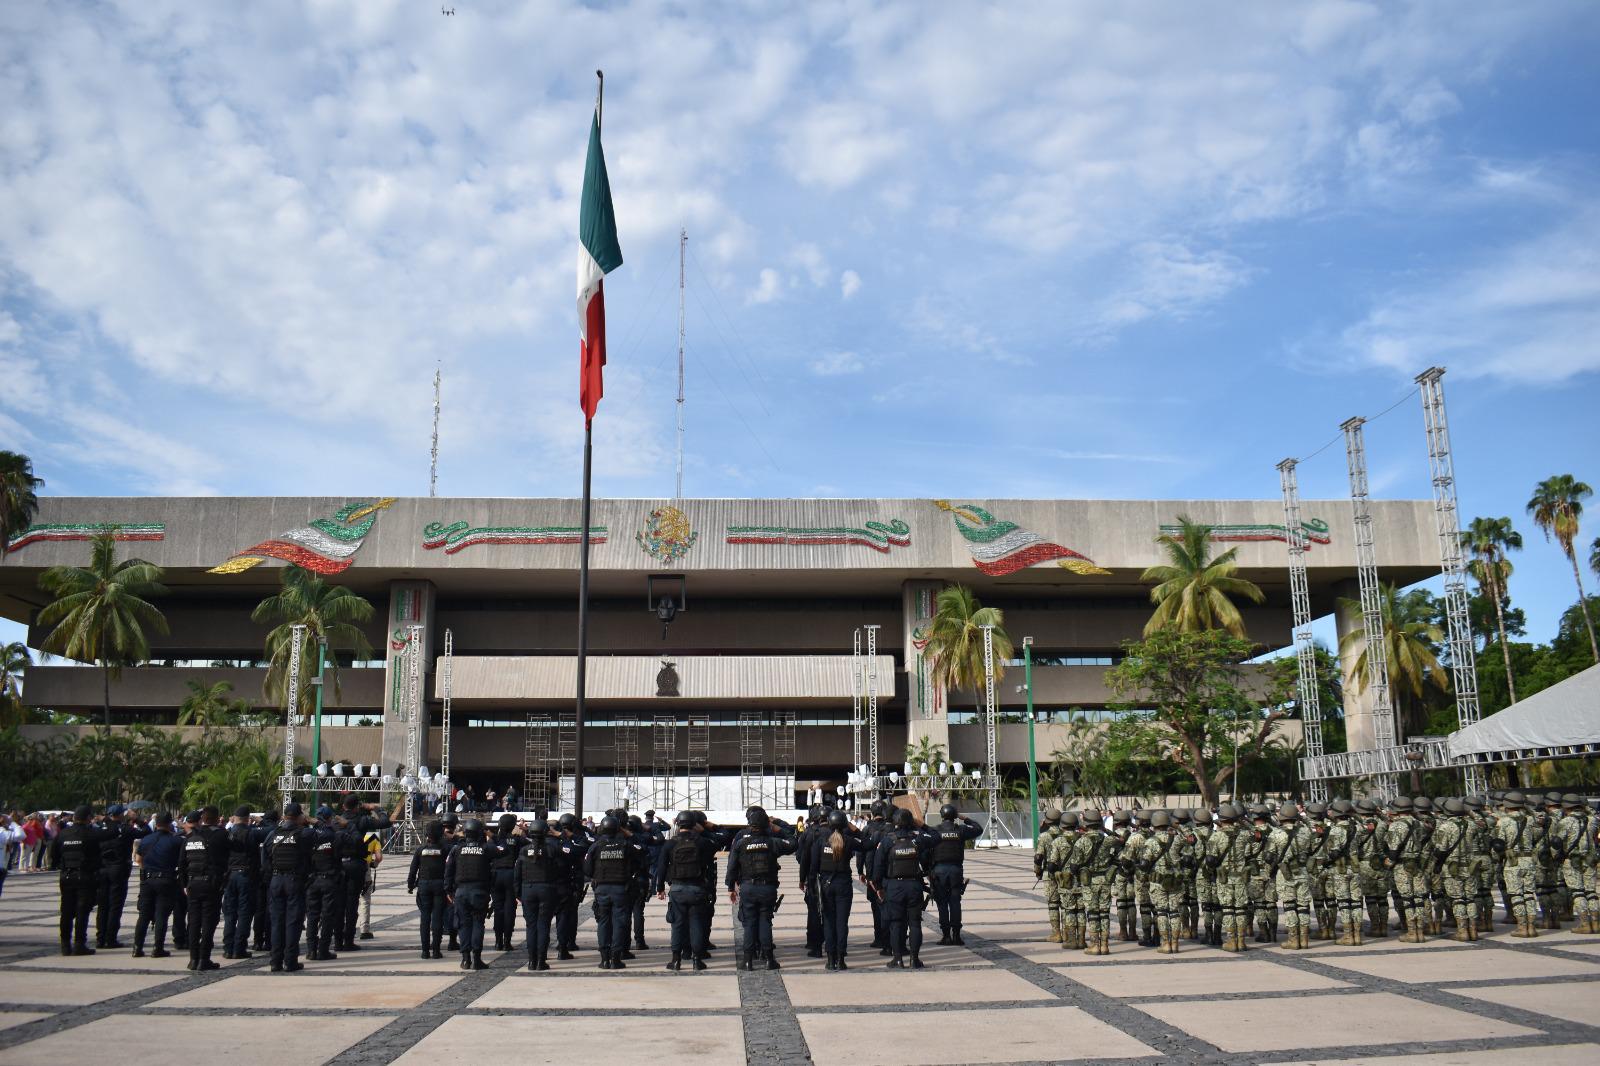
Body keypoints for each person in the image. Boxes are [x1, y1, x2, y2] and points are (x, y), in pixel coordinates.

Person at [727, 806, 795, 971]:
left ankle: (748, 961)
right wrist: (778, 826)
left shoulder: (741, 842)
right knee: (765, 922)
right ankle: (769, 959)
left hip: (748, 887)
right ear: (766, 825)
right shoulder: (773, 842)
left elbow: (731, 866)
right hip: (767, 888)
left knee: (749, 924)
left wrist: (731, 887)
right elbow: (794, 843)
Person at [656, 811, 716, 971]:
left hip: (677, 889)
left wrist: (659, 888)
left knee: (677, 925)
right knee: (696, 924)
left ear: (678, 823)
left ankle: (676, 960)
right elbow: (711, 858)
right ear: (694, 824)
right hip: (697, 888)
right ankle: (697, 960)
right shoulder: (702, 842)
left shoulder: (670, 844)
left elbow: (661, 868)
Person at [584, 814, 645, 969]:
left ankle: (605, 959)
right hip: (621, 888)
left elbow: (587, 869)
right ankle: (616, 958)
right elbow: (638, 863)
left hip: (602, 889)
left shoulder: (596, 846)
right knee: (620, 923)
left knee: (603, 923)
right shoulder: (625, 845)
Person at [52, 804, 113, 955]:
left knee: (66, 911)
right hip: (85, 876)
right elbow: (112, 833)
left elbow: (54, 854)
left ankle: (65, 945)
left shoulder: (63, 834)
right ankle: (79, 944)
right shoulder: (91, 833)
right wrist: (106, 819)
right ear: (88, 818)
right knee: (82, 911)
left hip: (66, 876)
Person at [263, 801, 314, 972]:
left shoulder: (272, 834)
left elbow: (266, 860)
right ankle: (290, 961)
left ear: (284, 816)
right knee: (293, 922)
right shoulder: (304, 834)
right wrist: (313, 822)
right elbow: (327, 834)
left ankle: (275, 961)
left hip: (276, 880)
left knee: (277, 922)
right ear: (300, 816)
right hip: (294, 881)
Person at [808, 809, 862, 971]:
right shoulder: (848, 840)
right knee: (842, 923)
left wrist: (812, 889)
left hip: (826, 886)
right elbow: (869, 844)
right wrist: (856, 830)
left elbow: (813, 868)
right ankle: (841, 959)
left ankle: (830, 960)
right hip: (843, 885)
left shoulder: (821, 841)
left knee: (829, 923)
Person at [515, 818, 570, 971]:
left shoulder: (524, 850)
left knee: (531, 926)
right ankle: (541, 960)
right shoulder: (552, 849)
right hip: (547, 889)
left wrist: (518, 893)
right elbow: (563, 862)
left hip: (528, 889)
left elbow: (517, 873)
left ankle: (532, 961)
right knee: (543, 925)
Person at [446, 817, 499, 970]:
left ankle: (465, 959)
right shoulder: (486, 848)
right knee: (477, 924)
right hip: (479, 892)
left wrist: (448, 890)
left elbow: (448, 871)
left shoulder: (456, 849)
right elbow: (503, 851)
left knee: (464, 925)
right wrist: (492, 837)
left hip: (461, 892)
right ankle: (477, 958)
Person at [180, 805, 230, 971]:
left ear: (202, 819)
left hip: (193, 883)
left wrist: (184, 884)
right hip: (211, 883)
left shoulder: (191, 837)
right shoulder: (220, 835)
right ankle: (204, 958)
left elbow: (182, 863)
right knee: (209, 922)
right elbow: (234, 849)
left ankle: (193, 959)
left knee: (194, 922)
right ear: (217, 818)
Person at [927, 803, 982, 945]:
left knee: (942, 904)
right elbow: (978, 829)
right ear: (954, 816)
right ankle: (956, 935)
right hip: (956, 870)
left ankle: (946, 936)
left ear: (941, 815)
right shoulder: (961, 830)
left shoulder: (935, 831)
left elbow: (925, 851)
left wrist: (928, 871)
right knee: (955, 903)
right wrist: (965, 819)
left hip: (939, 870)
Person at [131, 810, 183, 957]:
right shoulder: (175, 841)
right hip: (166, 879)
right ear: (169, 824)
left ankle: (137, 947)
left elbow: (138, 859)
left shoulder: (146, 839)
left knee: (144, 915)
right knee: (161, 914)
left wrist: (147, 871)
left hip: (148, 879)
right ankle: (157, 947)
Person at [95, 803, 144, 948]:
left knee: (103, 905)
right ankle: (110, 938)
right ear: (122, 815)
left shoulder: (100, 829)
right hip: (119, 867)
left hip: (103, 868)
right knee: (115, 905)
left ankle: (100, 937)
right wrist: (136, 819)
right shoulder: (124, 829)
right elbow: (145, 831)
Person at [222, 806, 265, 959]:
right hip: (246, 875)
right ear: (248, 819)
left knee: (230, 914)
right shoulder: (251, 833)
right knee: (245, 913)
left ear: (234, 818)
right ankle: (239, 947)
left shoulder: (227, 833)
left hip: (230, 875)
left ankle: (228, 947)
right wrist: (261, 821)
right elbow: (270, 830)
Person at [303, 807, 344, 961]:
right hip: (328, 879)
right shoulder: (333, 834)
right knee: (327, 916)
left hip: (312, 880)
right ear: (328, 819)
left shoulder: (308, 835)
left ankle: (311, 950)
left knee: (312, 916)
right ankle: (323, 950)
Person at [408, 820, 451, 958]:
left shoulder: (421, 849)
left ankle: (425, 951)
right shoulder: (445, 849)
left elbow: (413, 869)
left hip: (423, 885)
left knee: (425, 918)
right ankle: (437, 950)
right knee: (437, 917)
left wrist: (410, 885)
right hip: (440, 885)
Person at [857, 801, 890, 952]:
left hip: (871, 873)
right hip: (889, 873)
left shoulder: (867, 829)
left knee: (876, 908)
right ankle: (890, 937)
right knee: (890, 906)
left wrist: (860, 871)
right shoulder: (890, 827)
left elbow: (860, 851)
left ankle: (879, 937)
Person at [1034, 808, 1065, 943]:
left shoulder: (1044, 836)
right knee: (1066, 903)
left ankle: (1056, 933)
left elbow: (1038, 857)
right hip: (1066, 874)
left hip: (1049, 873)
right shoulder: (1067, 834)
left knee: (1053, 903)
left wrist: (1037, 871)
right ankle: (1068, 932)